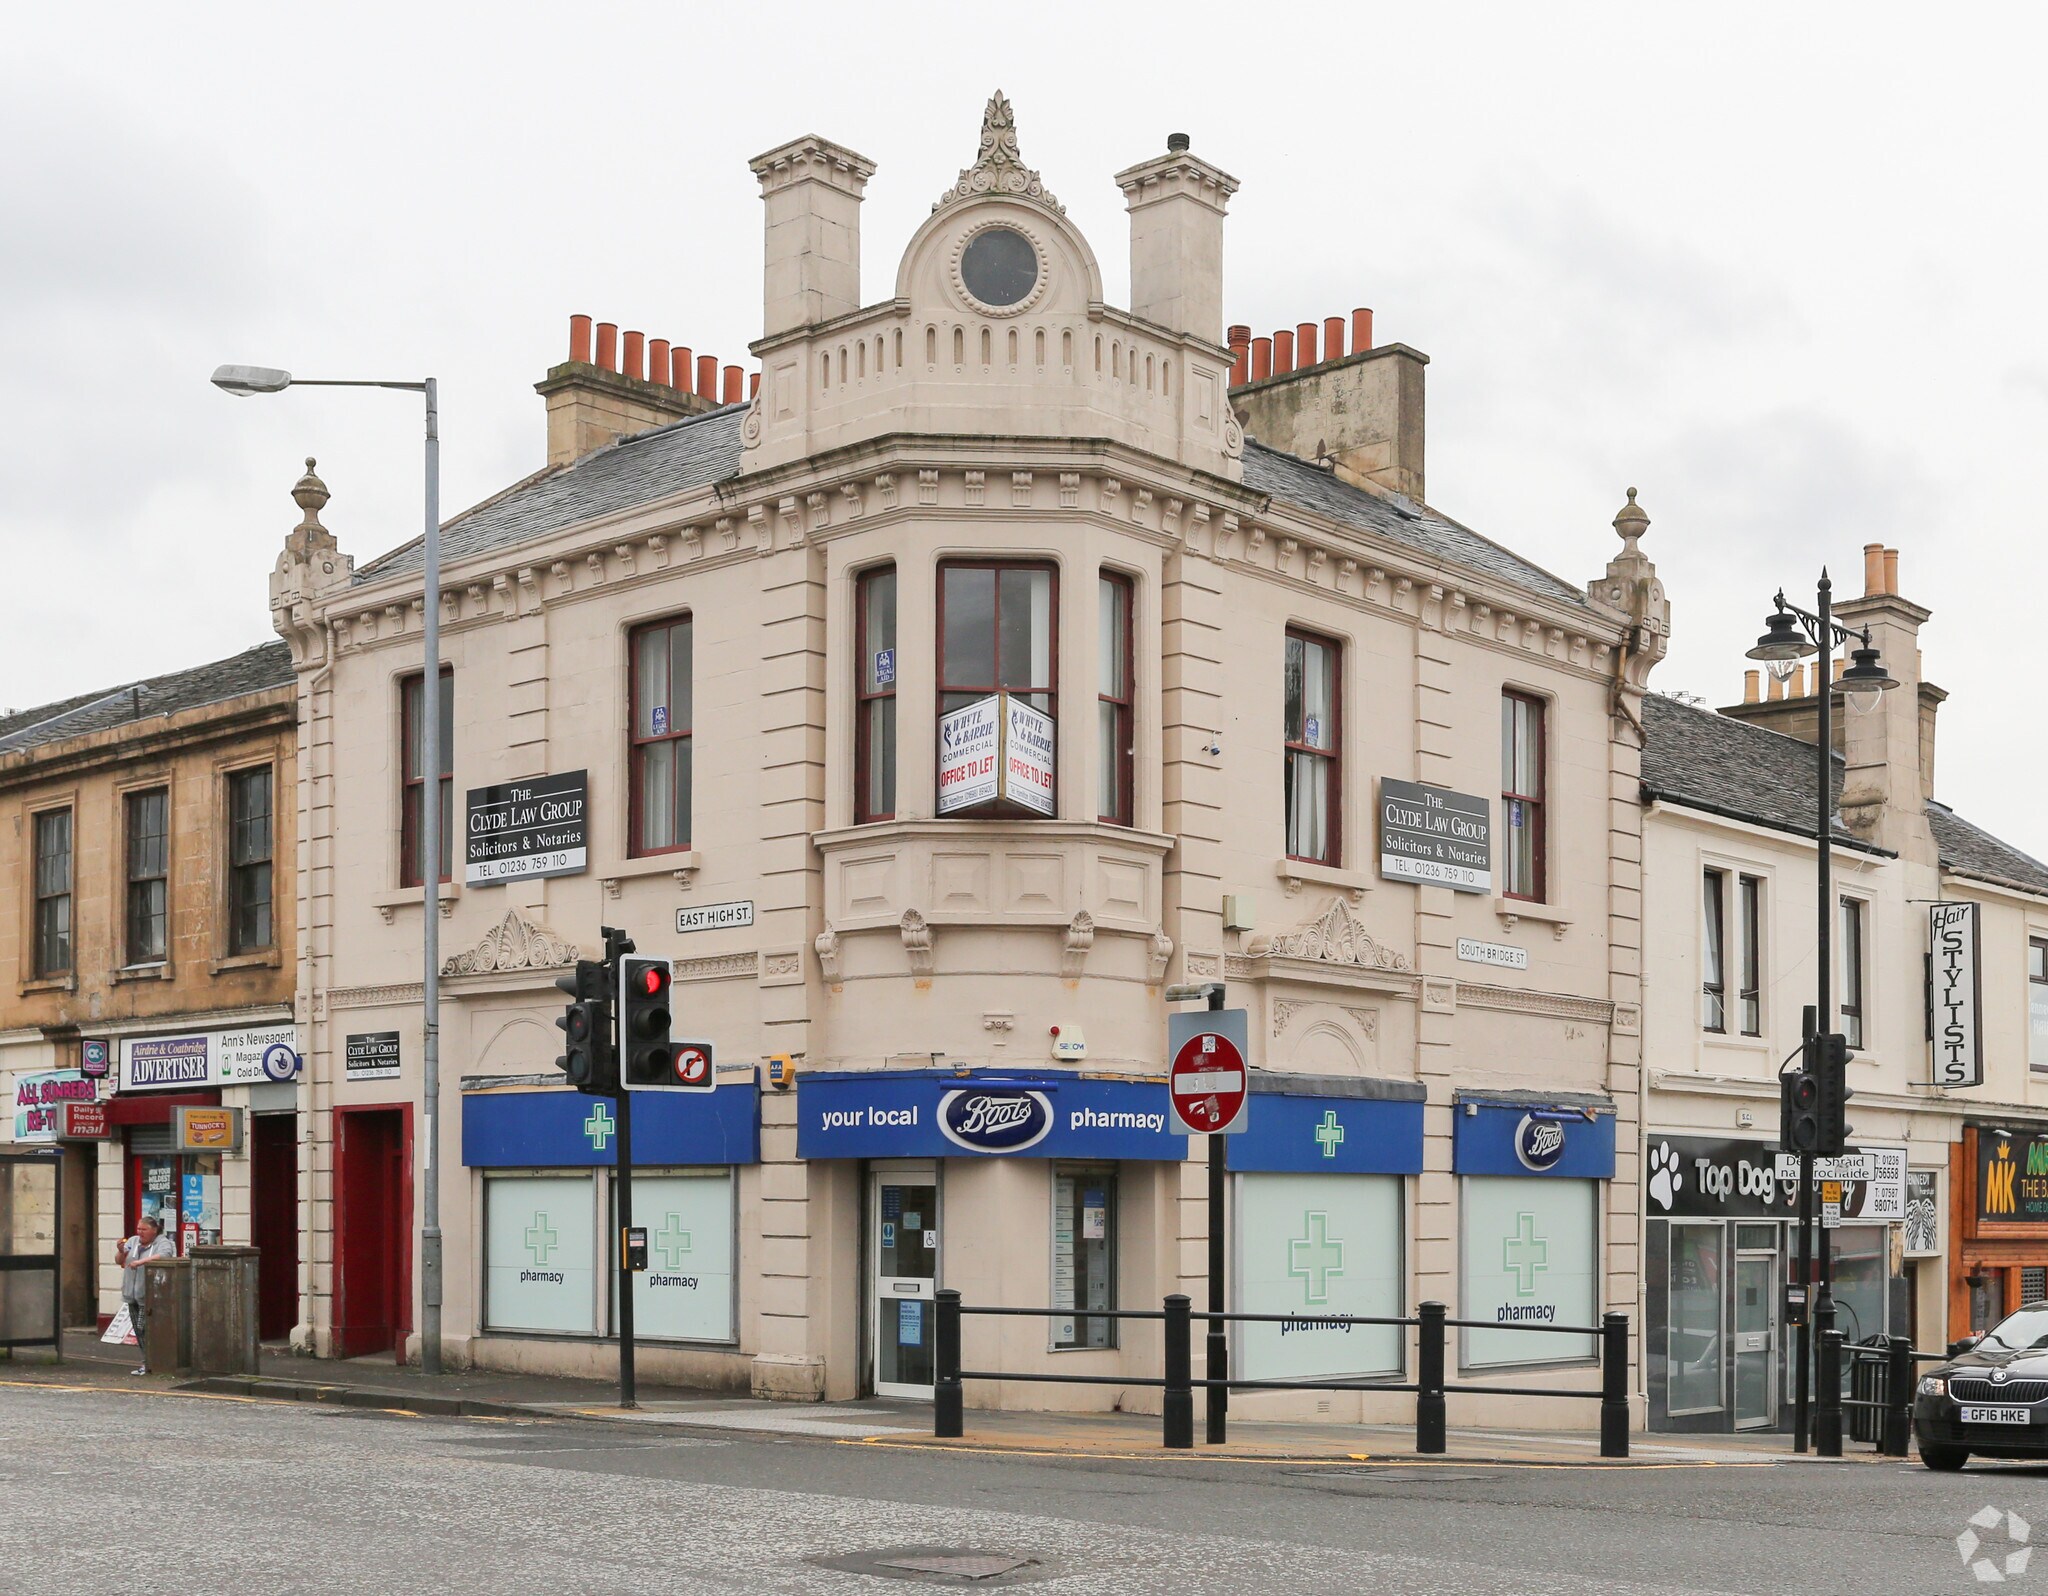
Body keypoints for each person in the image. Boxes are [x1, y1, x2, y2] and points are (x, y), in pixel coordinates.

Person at [112, 1214, 175, 1375]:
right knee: (139, 1331)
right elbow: (120, 1261)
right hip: (132, 1294)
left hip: (150, 1295)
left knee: (145, 1328)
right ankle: (147, 1363)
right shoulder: (132, 1241)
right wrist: (120, 1251)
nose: (140, 1232)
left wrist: (140, 1262)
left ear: (154, 1230)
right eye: (138, 1229)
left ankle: (153, 1362)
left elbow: (164, 1256)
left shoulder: (162, 1242)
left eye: (144, 1229)